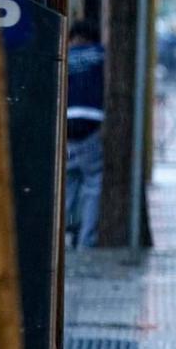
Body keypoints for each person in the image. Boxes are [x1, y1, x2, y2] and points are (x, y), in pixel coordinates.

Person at [63, 21, 105, 248]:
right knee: (93, 184)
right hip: (91, 125)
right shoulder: (101, 55)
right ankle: (86, 241)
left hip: (67, 125)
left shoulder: (64, 56)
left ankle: (59, 239)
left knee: (67, 184)